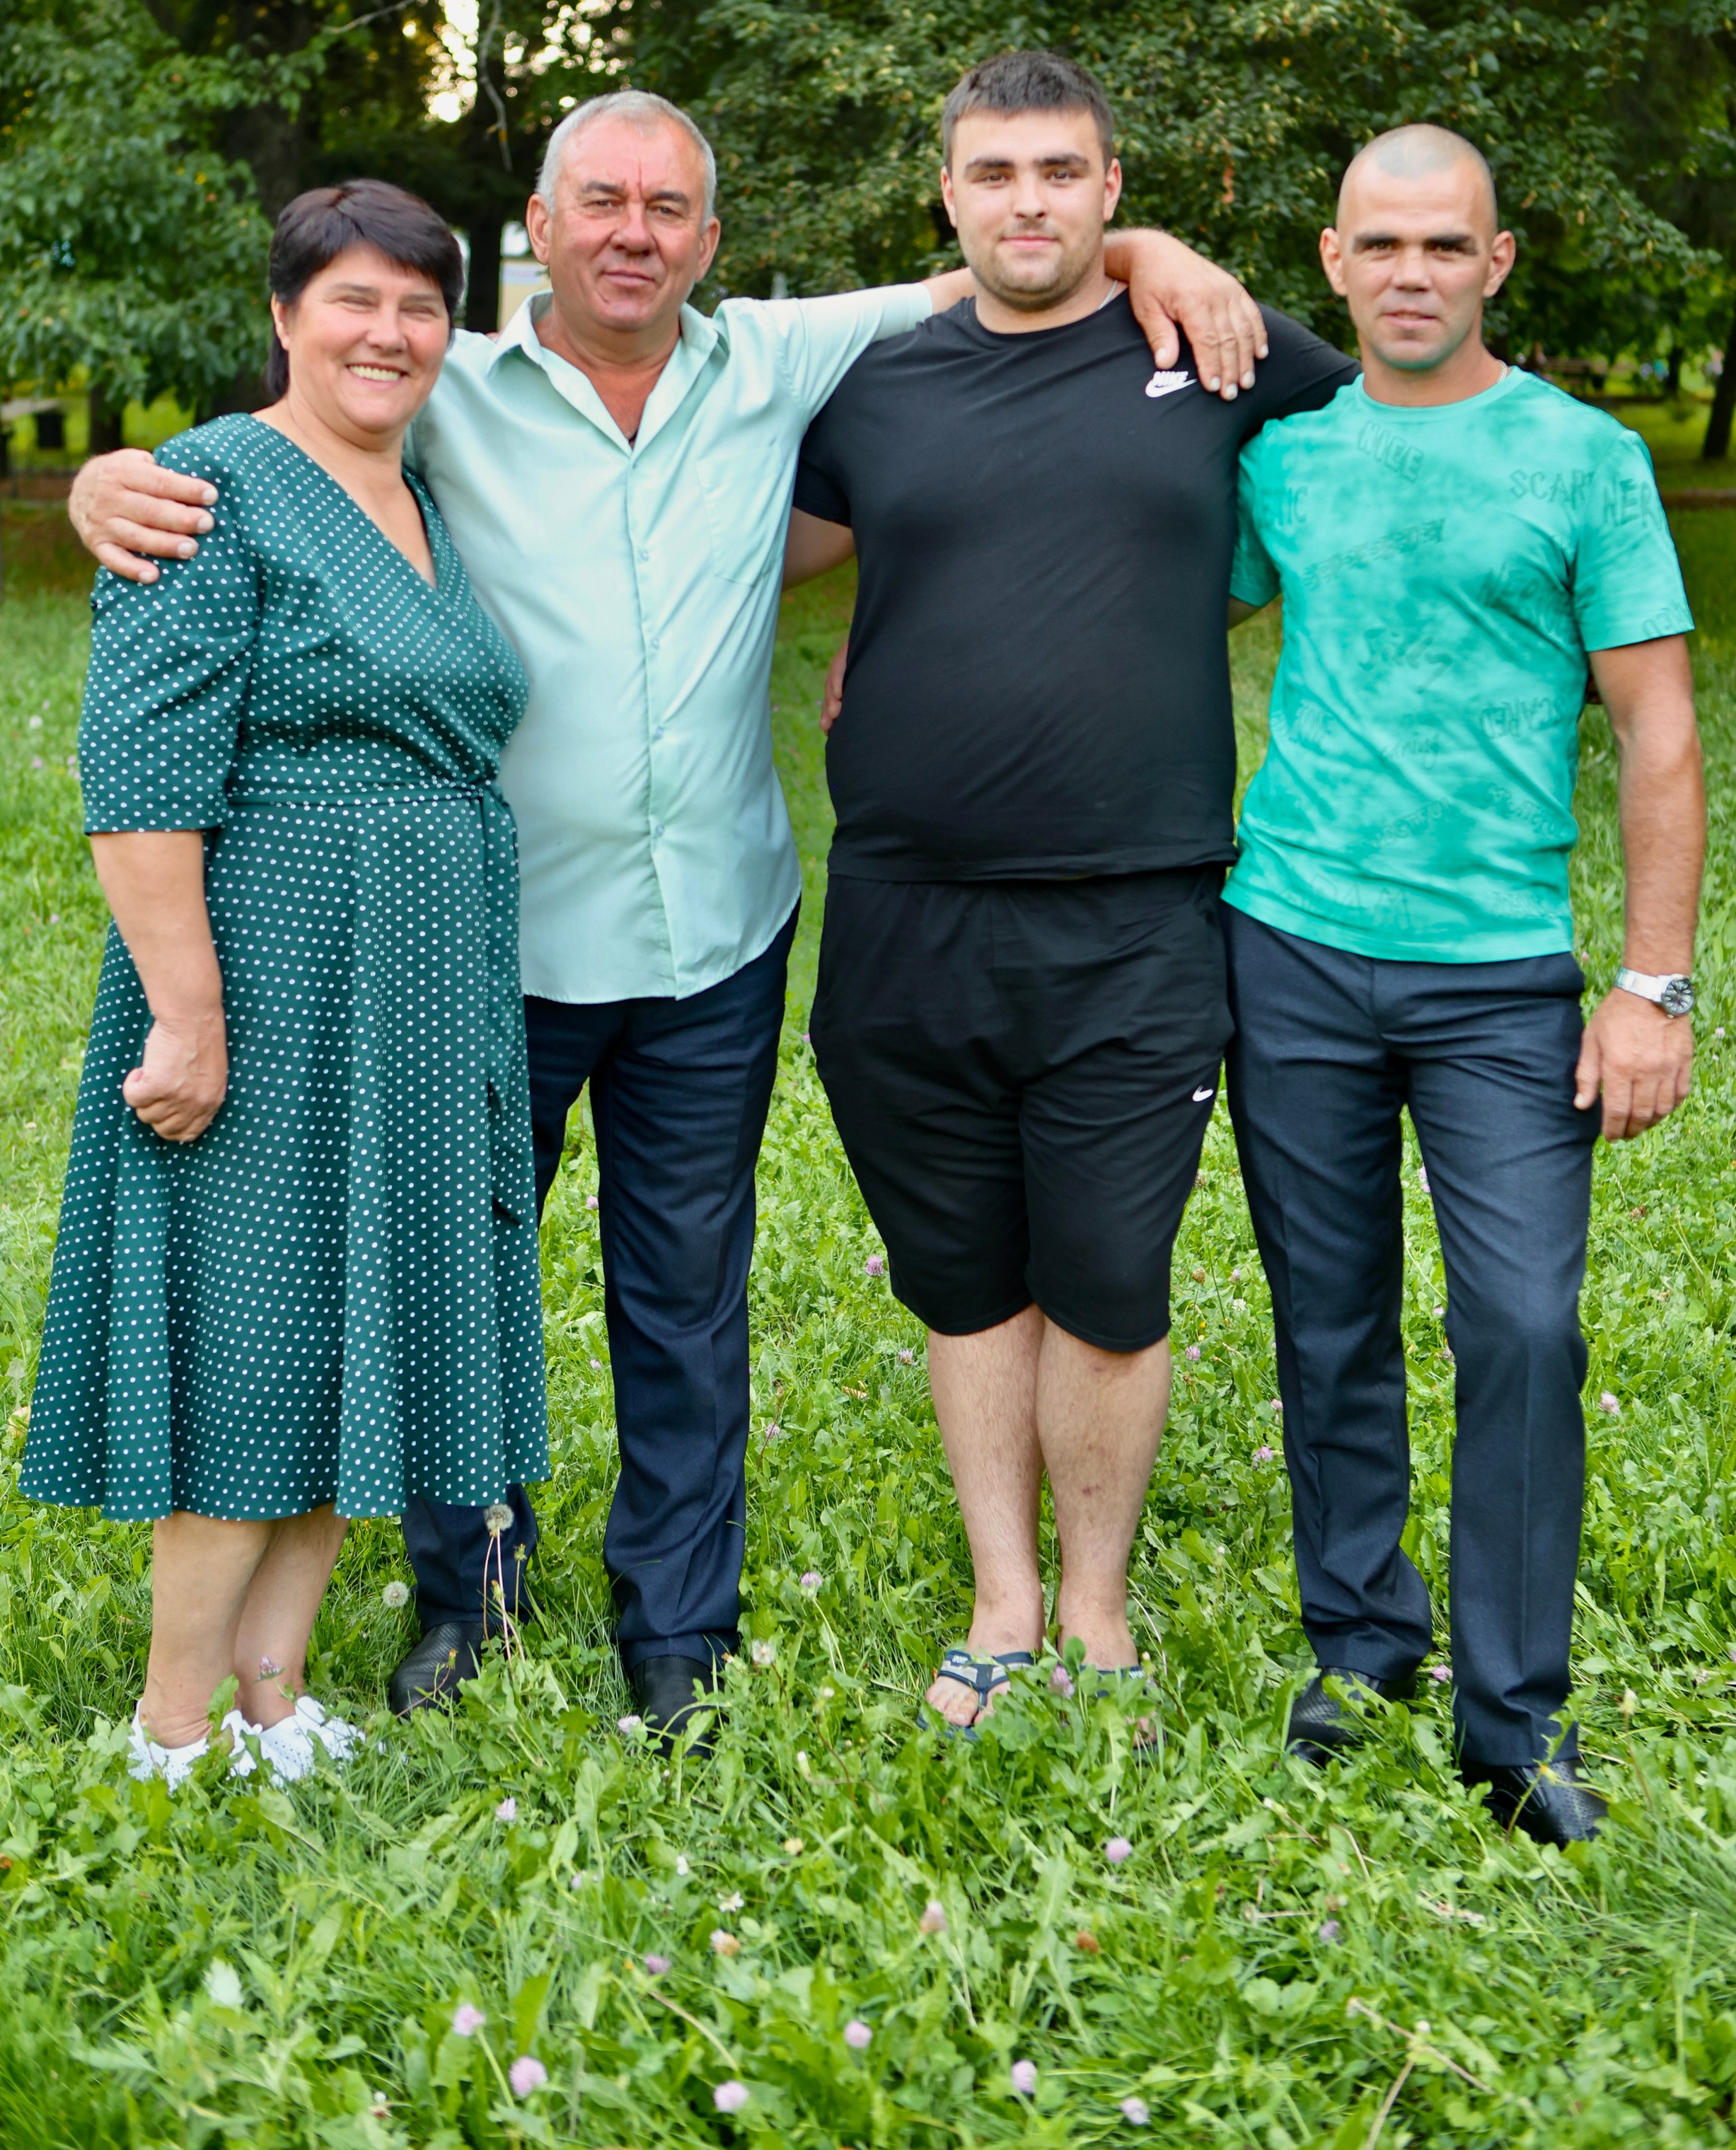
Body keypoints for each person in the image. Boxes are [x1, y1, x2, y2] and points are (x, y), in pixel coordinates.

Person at [69, 88, 1264, 1748]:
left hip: (715, 923)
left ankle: (678, 1624)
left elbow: (1012, 256)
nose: (635, 232)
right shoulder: (443, 386)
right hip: (480, 944)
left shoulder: (778, 359)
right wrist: (106, 482)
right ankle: (462, 1594)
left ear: (710, 237)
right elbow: (276, 456)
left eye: (669, 207)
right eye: (600, 203)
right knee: (456, 1272)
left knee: (684, 1290)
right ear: (540, 231)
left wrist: (1148, 240)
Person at [790, 50, 1359, 1731]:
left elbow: (1415, 416)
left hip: (1134, 909)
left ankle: (1098, 1615)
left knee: (1107, 1282)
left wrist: (1163, 263)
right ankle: (1003, 1603)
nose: (1025, 201)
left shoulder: (1213, 347)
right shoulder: (872, 387)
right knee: (960, 1278)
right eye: (992, 174)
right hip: (904, 908)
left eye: (1061, 173)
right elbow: (692, 528)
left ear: (1111, 189)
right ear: (945, 197)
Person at [22, 182, 546, 1787]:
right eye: (352, 300)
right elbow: (136, 777)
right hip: (273, 966)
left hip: (414, 981)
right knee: (256, 1335)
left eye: (417, 305)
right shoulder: (213, 484)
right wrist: (189, 1013)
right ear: (283, 315)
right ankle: (173, 1723)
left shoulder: (416, 493)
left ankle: (271, 1697)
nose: (386, 332)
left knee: (347, 1336)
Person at [1221, 123, 1703, 1844]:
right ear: (1333, 264)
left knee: (1520, 1327)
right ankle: (1358, 1649)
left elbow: (1653, 727)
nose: (1409, 273)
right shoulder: (1280, 457)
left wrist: (1651, 984)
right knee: (1326, 1320)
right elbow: (1131, 610)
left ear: (1494, 264)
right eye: (1378, 246)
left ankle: (1513, 1723)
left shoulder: (1581, 460)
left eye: (1444, 246)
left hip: (1500, 982)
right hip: (1285, 945)